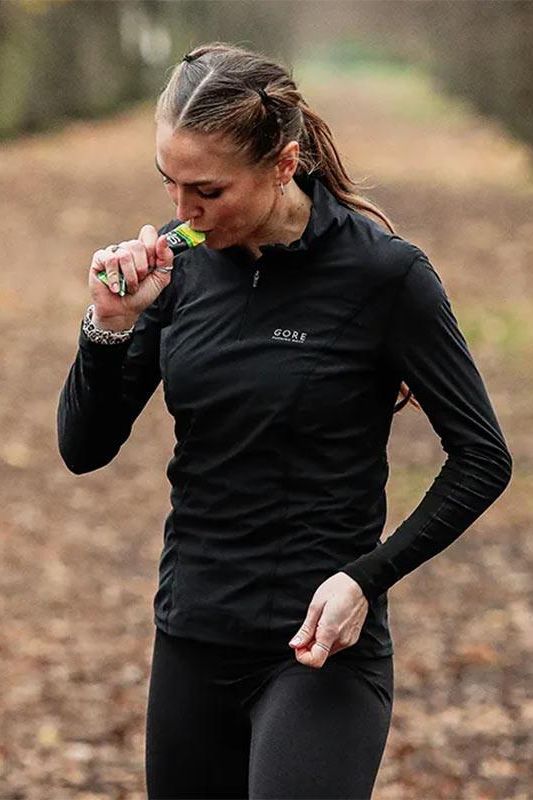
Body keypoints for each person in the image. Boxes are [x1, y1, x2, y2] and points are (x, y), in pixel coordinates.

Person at [57, 41, 512, 800]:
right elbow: (83, 449)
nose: (182, 214)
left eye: (206, 190)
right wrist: (107, 326)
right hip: (191, 638)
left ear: (282, 163)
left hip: (318, 650)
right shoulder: (177, 267)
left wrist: (367, 579)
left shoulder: (384, 274)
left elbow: (481, 457)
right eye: (168, 185)